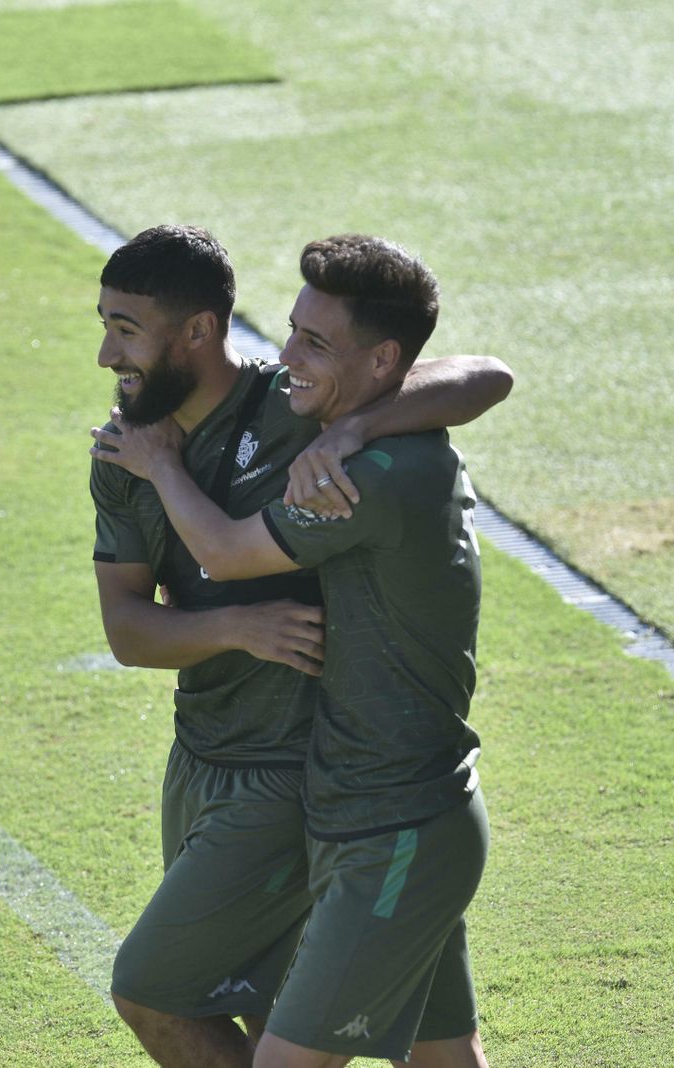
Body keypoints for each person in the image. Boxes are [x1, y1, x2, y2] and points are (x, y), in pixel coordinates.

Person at [90, 225, 510, 1067]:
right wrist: (229, 627)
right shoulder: (127, 450)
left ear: (197, 331)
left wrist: (351, 432)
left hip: (340, 793)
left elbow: (483, 375)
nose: (106, 352)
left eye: (127, 328)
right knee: (435, 1052)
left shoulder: (316, 425)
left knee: (161, 990)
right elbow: (128, 631)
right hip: (248, 770)